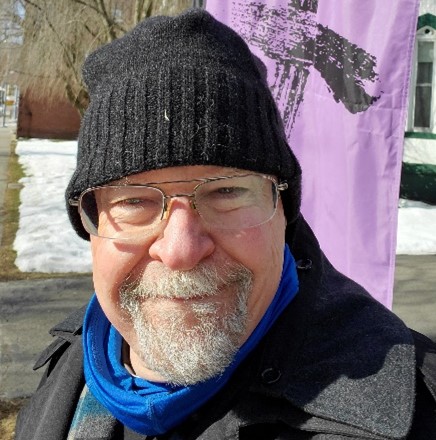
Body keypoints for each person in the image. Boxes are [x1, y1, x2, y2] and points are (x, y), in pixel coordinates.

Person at [16, 8, 436, 440]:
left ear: (283, 210)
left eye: (226, 193)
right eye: (134, 201)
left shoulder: (420, 416)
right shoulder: (68, 370)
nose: (180, 251)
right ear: (90, 222)